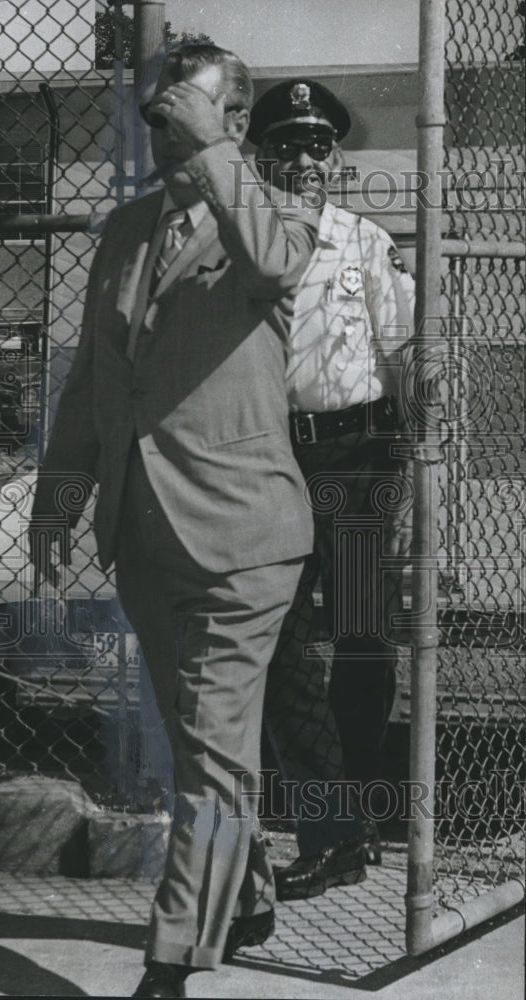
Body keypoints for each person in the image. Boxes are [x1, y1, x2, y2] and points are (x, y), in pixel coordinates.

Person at [29, 46, 320, 999]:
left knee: (207, 749)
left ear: (230, 120)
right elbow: (92, 377)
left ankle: (171, 960)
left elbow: (273, 269)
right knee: (211, 747)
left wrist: (213, 151)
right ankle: (248, 893)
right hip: (144, 528)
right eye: (155, 113)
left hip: (241, 537)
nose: (161, 128)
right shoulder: (123, 231)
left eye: (182, 112)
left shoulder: (275, 214)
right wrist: (61, 487)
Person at [248, 78, 416, 902]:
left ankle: (360, 821)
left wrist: (419, 462)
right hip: (270, 460)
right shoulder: (236, 243)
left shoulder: (363, 241)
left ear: (336, 156)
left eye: (317, 144)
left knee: (359, 634)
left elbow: (402, 353)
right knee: (275, 639)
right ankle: (330, 825)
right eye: (286, 144)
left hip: (355, 456)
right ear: (256, 154)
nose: (304, 158)